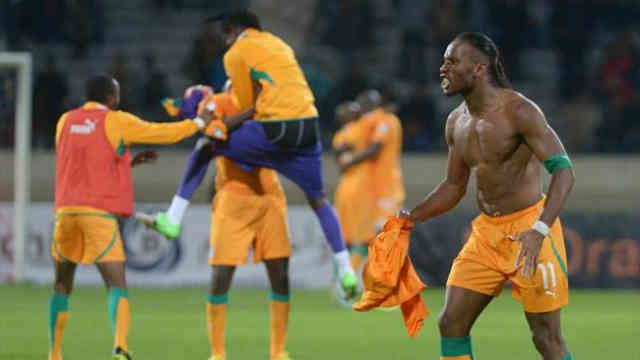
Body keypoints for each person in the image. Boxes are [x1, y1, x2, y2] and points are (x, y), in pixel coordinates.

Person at [151, 9, 358, 297]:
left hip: (275, 130)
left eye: (225, 34)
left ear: (234, 31)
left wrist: (217, 126)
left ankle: (172, 218)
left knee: (204, 147)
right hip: (309, 127)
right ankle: (346, 269)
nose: (224, 41)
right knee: (319, 199)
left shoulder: (236, 53)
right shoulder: (279, 44)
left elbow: (249, 108)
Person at [399, 32, 576, 360]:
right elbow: (454, 187)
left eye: (452, 61)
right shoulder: (456, 121)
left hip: (530, 231)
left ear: (478, 69)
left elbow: (564, 171)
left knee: (546, 339)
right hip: (486, 236)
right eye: (444, 62)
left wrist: (540, 230)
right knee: (451, 323)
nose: (443, 68)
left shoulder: (519, 111)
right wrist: (412, 217)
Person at [49, 74, 208, 360]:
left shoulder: (65, 121)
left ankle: (55, 353)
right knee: (116, 284)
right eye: (117, 95)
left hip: (65, 212)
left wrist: (126, 162)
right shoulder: (115, 120)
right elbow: (163, 133)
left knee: (62, 284)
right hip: (97, 214)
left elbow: (84, 164)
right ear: (111, 97)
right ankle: (120, 347)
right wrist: (198, 123)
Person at [139, 82, 293, 360]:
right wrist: (249, 112)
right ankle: (217, 352)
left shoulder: (272, 103)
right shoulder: (220, 101)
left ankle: (278, 351)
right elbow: (211, 133)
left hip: (270, 197)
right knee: (221, 274)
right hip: (232, 198)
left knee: (280, 273)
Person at [339, 90, 405, 267]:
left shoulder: (386, 121)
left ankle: (388, 277)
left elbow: (375, 149)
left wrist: (351, 160)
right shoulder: (367, 124)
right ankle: (357, 277)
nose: (361, 110)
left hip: (388, 187)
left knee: (385, 233)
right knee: (369, 236)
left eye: (363, 106)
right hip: (371, 190)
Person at [331, 101, 374, 280]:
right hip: (361, 189)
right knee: (366, 238)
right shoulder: (360, 128)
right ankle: (353, 278)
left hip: (345, 189)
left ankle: (342, 281)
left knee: (346, 240)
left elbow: (340, 159)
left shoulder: (339, 136)